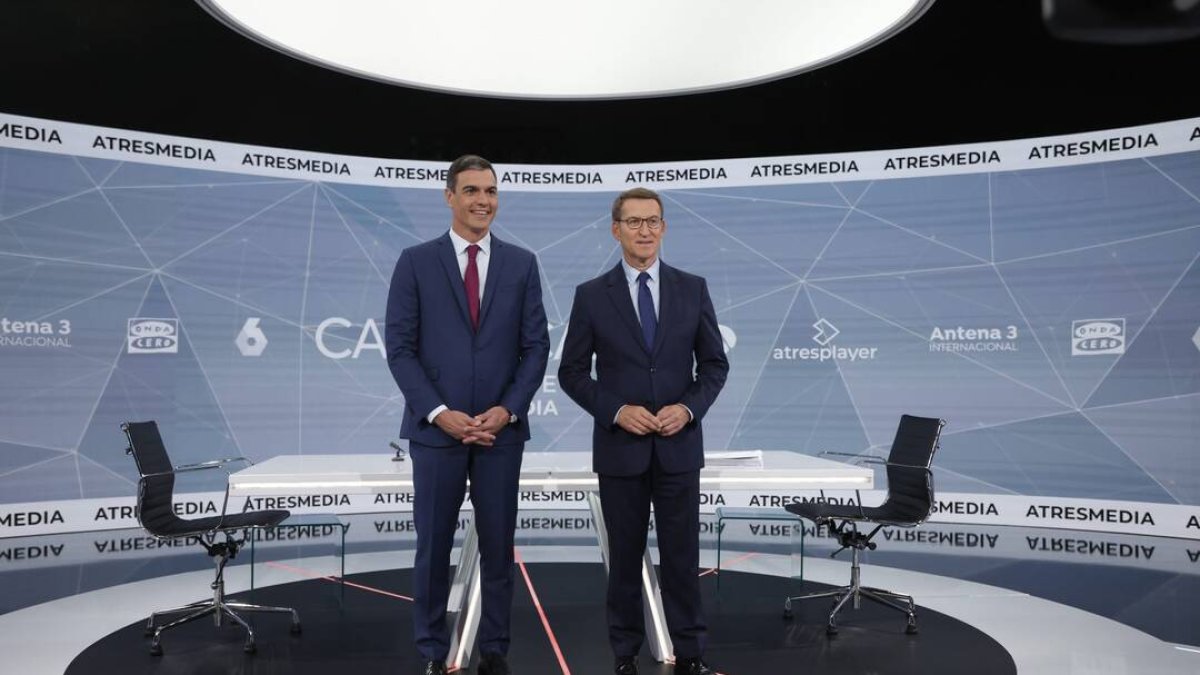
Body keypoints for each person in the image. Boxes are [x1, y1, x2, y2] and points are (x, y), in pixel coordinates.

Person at [386, 154, 549, 675]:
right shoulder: (415, 261)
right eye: (473, 190)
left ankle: (495, 649)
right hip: (437, 435)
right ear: (450, 196)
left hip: (501, 435)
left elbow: (536, 348)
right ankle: (433, 651)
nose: (484, 200)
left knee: (499, 548)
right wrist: (439, 413)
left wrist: (508, 409)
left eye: (491, 191)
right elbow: (400, 349)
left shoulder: (522, 263)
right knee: (433, 547)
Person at [559, 187, 729, 675]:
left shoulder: (693, 288)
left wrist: (688, 410)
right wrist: (616, 411)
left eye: (653, 221)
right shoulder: (591, 295)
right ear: (616, 230)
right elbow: (572, 373)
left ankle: (691, 653)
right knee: (625, 561)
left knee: (682, 558)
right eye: (634, 222)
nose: (645, 230)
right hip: (621, 450)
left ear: (664, 227)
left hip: (679, 448)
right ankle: (625, 655)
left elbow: (714, 365)